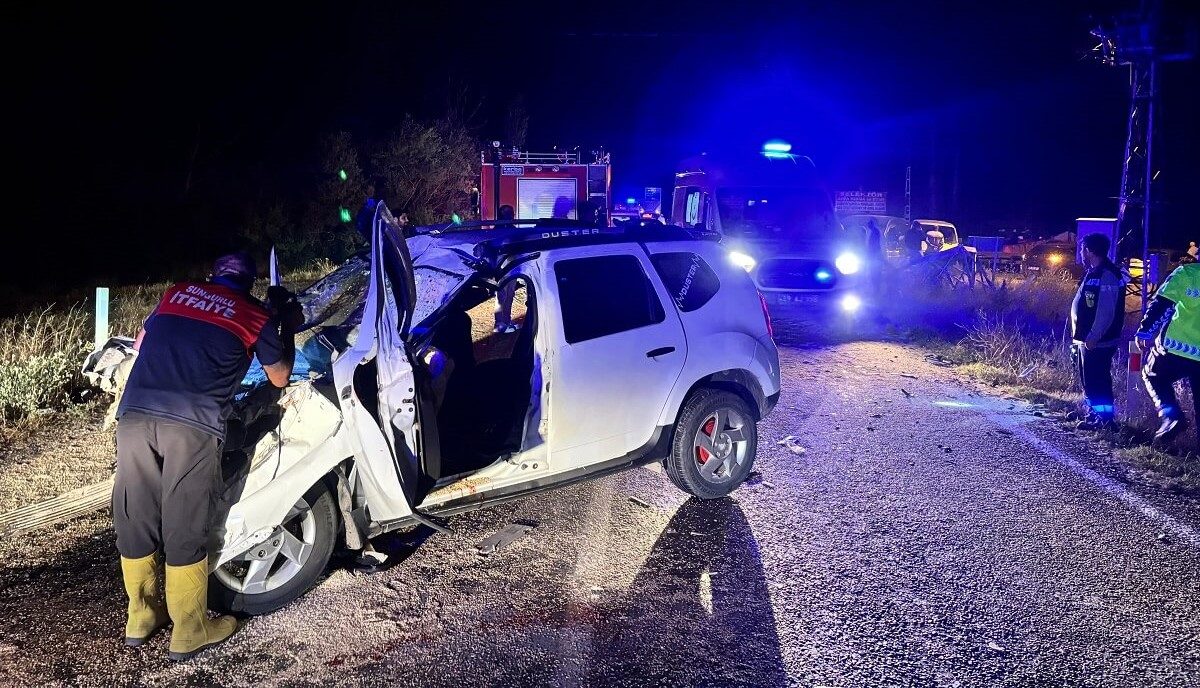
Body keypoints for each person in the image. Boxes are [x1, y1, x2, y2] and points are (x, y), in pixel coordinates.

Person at [113, 252, 299, 661]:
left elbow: (143, 344)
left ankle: (141, 616)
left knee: (135, 512)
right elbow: (280, 376)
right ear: (250, 283)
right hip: (192, 423)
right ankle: (189, 629)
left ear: (213, 274)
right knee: (185, 519)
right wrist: (286, 328)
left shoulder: (177, 293)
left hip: (135, 415)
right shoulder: (254, 314)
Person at [1135, 260, 1200, 441]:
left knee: (1153, 375)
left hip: (1177, 348)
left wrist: (1146, 331)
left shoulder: (1187, 273)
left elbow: (1163, 303)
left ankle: (1171, 416)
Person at [1069, 233, 1125, 431]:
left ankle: (1105, 421)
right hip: (1087, 339)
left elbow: (1106, 311)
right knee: (1090, 380)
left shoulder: (1107, 274)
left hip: (1098, 340)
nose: (1081, 253)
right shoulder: (1093, 272)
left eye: (1083, 249)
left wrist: (1094, 335)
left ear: (1090, 251)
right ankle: (1095, 414)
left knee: (1098, 379)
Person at [495, 204, 518, 331]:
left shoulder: (513, 229)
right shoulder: (498, 229)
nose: (512, 216)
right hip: (502, 266)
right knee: (501, 295)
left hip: (511, 264)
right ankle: (499, 322)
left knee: (510, 294)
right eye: (509, 214)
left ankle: (507, 320)